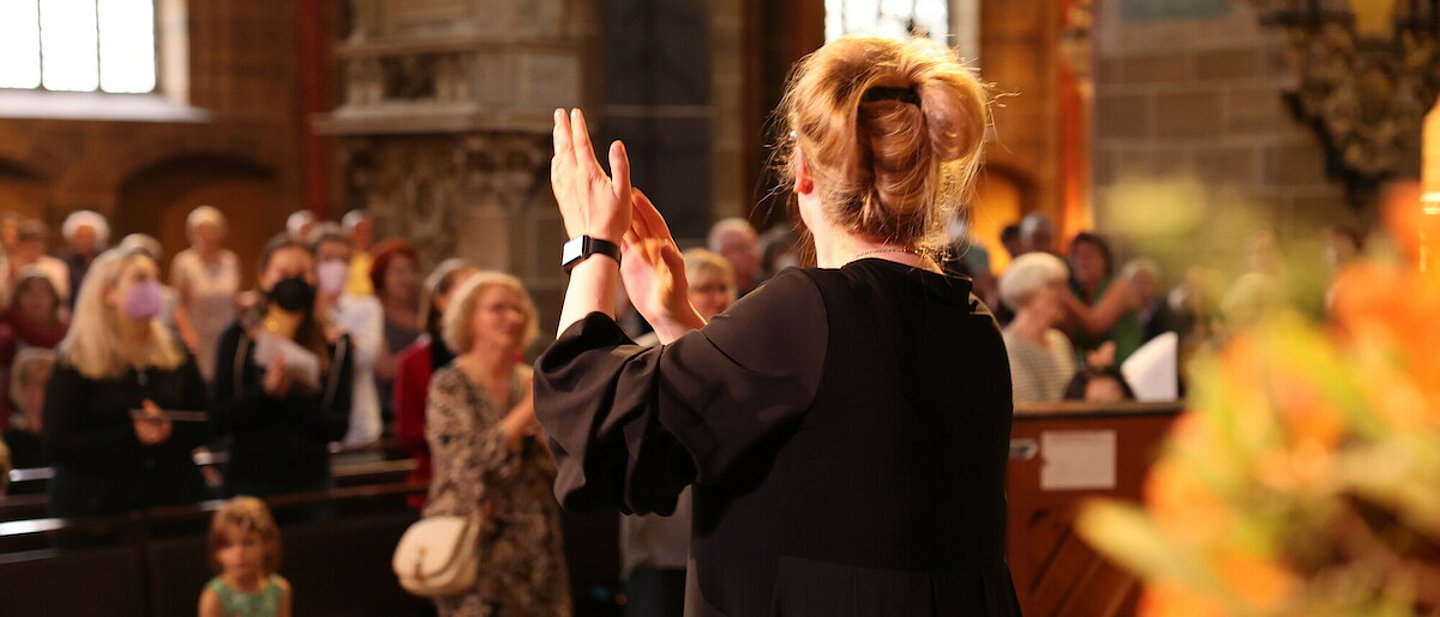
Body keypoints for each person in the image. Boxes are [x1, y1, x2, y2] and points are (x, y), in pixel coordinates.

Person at [537, 33, 1020, 617]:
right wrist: (675, 320)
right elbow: (812, 450)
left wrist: (591, 247)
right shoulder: (969, 321)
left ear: (803, 172)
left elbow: (599, 438)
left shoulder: (810, 309)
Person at [424, 272, 571, 617]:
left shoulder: (531, 381)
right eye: (498, 309)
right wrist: (525, 413)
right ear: (469, 319)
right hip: (474, 544)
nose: (513, 317)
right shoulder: (449, 385)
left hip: (536, 542)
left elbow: (562, 469)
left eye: (518, 309)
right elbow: (465, 462)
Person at [43, 248, 210, 528]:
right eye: (141, 279)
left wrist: (170, 430)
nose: (153, 287)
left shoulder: (176, 351)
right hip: (97, 509)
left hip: (170, 502)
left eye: (155, 279)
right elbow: (58, 442)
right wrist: (130, 436)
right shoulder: (75, 359)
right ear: (108, 293)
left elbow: (204, 418)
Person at [622, 248, 736, 617]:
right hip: (661, 539)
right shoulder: (642, 358)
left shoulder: (743, 355)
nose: (716, 298)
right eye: (704, 288)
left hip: (726, 533)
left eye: (723, 287)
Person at [210, 236, 352, 498]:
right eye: (284, 273)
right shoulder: (238, 338)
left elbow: (337, 426)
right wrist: (264, 393)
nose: (293, 281)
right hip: (248, 482)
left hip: (310, 484)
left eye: (302, 274)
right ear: (264, 278)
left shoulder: (336, 343)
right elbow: (219, 417)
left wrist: (291, 398)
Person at [392, 258, 476, 510]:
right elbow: (406, 434)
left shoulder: (507, 358)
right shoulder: (413, 362)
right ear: (441, 301)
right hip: (435, 485)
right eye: (469, 291)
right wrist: (461, 428)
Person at [310, 227, 383, 447]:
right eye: (327, 258)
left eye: (344, 259)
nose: (337, 266)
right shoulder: (301, 312)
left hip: (358, 427)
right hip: (311, 425)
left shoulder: (366, 307)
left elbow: (364, 358)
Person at [171, 205, 242, 382]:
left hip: (226, 332)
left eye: (212, 230)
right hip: (199, 335)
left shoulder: (231, 260)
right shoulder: (184, 263)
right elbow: (178, 303)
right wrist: (188, 334)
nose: (208, 236)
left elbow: (236, 297)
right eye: (202, 230)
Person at [998, 252, 1077, 403]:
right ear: (1028, 291)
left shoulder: (1059, 341)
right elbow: (1027, 407)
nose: (1066, 296)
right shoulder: (1008, 348)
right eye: (1056, 286)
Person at [199, 496, 293, 617]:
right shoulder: (214, 596)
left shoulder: (280, 589)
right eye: (228, 545)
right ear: (217, 551)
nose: (239, 553)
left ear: (267, 544)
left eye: (248, 543)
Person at [0, 269, 68, 427]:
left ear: (54, 298)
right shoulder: (6, 337)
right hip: (13, 423)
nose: (36, 297)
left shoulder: (69, 337)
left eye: (44, 291)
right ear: (17, 299)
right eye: (27, 291)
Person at [1065, 232, 1142, 365]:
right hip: (1089, 373)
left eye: (1088, 256)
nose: (1082, 262)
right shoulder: (1077, 295)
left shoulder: (1120, 286)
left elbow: (1096, 324)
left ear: (1104, 260)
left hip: (1123, 370)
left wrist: (1062, 296)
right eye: (1076, 256)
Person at [369, 239, 422, 426]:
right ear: (381, 275)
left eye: (411, 271)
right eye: (399, 272)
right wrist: (424, 351)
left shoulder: (421, 310)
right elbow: (386, 368)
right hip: (388, 410)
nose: (407, 279)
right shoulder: (373, 311)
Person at [3, 348, 56, 471]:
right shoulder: (8, 446)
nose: (52, 391)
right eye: (44, 384)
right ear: (23, 389)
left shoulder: (64, 439)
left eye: (54, 384)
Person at [60, 210, 110, 306]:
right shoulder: (63, 260)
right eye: (79, 237)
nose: (82, 242)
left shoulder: (106, 260)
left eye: (88, 237)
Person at [706, 218, 762, 296]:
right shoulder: (713, 297)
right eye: (738, 248)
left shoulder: (768, 287)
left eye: (752, 244)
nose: (749, 253)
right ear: (719, 255)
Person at [343, 209, 377, 297]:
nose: (364, 236)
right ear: (347, 233)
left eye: (367, 232)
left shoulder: (376, 258)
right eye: (359, 231)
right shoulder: (340, 259)